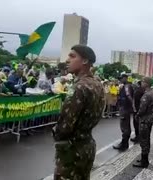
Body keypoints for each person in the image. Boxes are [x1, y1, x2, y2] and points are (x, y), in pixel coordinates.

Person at [52, 45, 104, 180]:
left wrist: (57, 134)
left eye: (72, 56)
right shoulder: (97, 84)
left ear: (85, 61)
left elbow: (65, 125)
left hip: (72, 150)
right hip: (87, 146)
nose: (67, 60)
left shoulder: (79, 87)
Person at [132, 77, 153, 168]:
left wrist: (137, 115)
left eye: (143, 81)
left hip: (145, 119)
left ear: (146, 83)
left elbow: (142, 109)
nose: (141, 83)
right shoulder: (152, 93)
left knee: (144, 140)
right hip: (149, 118)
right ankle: (144, 159)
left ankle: (144, 161)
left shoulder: (147, 95)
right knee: (146, 139)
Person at [113, 74, 134, 151]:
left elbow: (129, 97)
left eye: (121, 78)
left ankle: (124, 144)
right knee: (126, 127)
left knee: (124, 127)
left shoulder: (127, 87)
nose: (120, 80)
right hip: (125, 108)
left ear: (125, 78)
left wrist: (131, 107)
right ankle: (124, 143)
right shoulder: (126, 86)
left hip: (125, 108)